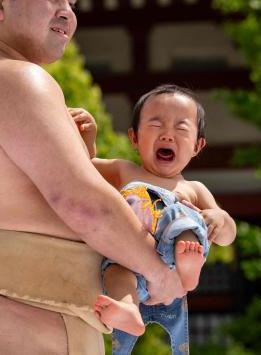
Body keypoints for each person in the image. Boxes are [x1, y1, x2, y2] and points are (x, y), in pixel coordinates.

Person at [0, 0, 186, 354]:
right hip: (22, 323)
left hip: (15, 319)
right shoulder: (15, 77)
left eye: (72, 2)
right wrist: (159, 271)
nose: (67, 14)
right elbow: (82, 202)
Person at [70, 84, 237, 354]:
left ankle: (188, 269)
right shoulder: (124, 171)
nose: (168, 135)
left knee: (181, 216)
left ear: (198, 145)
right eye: (156, 125)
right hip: (130, 257)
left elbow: (228, 236)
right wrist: (88, 138)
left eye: (181, 128)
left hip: (174, 261)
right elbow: (82, 171)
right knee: (115, 269)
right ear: (134, 138)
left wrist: (219, 218)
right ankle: (127, 308)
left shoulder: (193, 189)